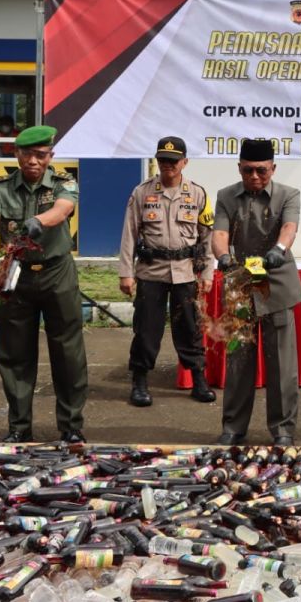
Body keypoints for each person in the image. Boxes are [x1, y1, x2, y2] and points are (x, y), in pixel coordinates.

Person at [0, 125, 87, 443]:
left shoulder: (64, 182)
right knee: (14, 353)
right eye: (28, 154)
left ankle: (71, 427)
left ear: (50, 156)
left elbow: (62, 209)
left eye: (41, 155)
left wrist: (39, 221)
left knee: (67, 351)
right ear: (17, 154)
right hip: (16, 276)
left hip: (56, 272)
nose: (34, 161)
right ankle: (19, 427)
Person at [211, 138, 301, 445]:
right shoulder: (226, 196)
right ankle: (233, 428)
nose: (254, 177)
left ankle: (283, 431)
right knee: (238, 361)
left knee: (281, 364)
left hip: (275, 280)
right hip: (240, 282)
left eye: (261, 171)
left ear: (273, 168)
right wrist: (223, 257)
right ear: (239, 167)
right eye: (248, 170)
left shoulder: (289, 195)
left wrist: (280, 249)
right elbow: (220, 233)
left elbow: (289, 228)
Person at [118, 137, 216, 408]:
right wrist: (125, 272)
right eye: (163, 160)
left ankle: (198, 379)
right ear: (157, 161)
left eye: (173, 161)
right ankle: (139, 382)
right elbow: (129, 234)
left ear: (184, 162)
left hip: (185, 272)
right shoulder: (142, 192)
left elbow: (207, 237)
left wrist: (208, 272)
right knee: (147, 329)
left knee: (190, 328)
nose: (168, 165)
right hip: (151, 271)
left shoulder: (198, 193)